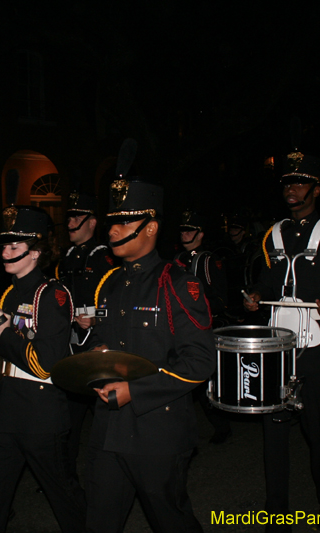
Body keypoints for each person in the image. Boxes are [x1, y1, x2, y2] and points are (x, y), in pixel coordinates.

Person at [84, 178, 216, 533]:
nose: (113, 231)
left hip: (157, 431)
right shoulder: (111, 283)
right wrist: (97, 354)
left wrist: (136, 391)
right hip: (108, 428)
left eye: (124, 222)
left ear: (151, 227)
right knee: (98, 520)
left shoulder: (177, 283)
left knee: (170, 520)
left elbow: (200, 361)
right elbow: (104, 337)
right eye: (112, 222)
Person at [244, 151, 320, 531]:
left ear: (316, 189)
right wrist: (256, 296)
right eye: (288, 183)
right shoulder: (273, 233)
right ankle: (276, 513)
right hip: (278, 351)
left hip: (318, 351)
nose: (292, 189)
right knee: (273, 435)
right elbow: (266, 282)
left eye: (300, 183)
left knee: (318, 434)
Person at [0, 206, 86, 533]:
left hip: (39, 410)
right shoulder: (10, 292)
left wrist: (5, 333)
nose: (4, 252)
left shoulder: (52, 295)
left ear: (35, 252)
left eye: (14, 247)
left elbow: (44, 364)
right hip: (5, 406)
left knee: (63, 496)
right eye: (4, 246)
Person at [55, 190, 117, 469]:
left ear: (92, 222)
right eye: (69, 217)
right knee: (69, 414)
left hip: (96, 341)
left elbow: (117, 302)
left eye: (77, 218)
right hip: (71, 342)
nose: (70, 223)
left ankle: (110, 470)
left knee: (105, 410)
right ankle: (65, 474)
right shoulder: (67, 256)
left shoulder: (103, 256)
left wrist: (96, 319)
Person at [174, 209, 231, 444]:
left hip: (202, 329)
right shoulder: (177, 260)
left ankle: (221, 426)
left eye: (190, 230)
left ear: (200, 234)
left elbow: (221, 299)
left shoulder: (207, 260)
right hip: (180, 329)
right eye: (183, 230)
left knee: (206, 382)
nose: (185, 234)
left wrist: (198, 310)